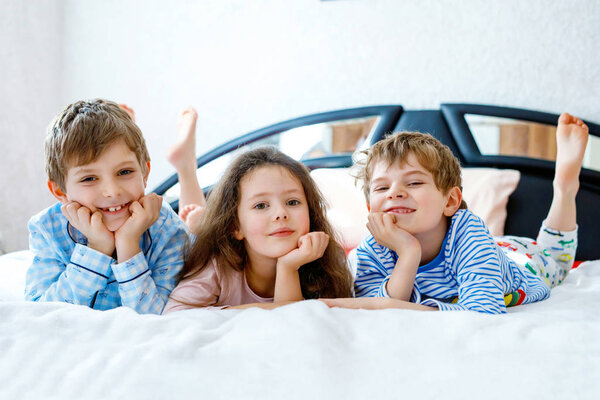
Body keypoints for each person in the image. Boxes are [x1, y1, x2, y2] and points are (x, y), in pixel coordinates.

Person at [322, 113, 588, 314]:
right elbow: (376, 304)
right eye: (381, 187)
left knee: (555, 260)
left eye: (414, 182)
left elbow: (482, 313)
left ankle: (564, 187)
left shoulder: (467, 230)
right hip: (488, 250)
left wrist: (395, 306)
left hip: (519, 260)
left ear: (450, 201)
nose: (395, 193)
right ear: (370, 208)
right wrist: (408, 252)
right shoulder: (371, 249)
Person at [25, 99, 189, 314]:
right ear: (60, 192)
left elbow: (158, 317)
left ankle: (186, 167)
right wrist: (97, 249)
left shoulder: (168, 228)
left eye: (124, 172)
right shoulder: (47, 229)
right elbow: (41, 314)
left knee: (200, 225)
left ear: (145, 173)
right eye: (89, 178)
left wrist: (129, 245)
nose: (112, 191)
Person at [162, 145, 354, 312]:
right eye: (261, 206)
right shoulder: (217, 268)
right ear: (235, 226)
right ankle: (188, 177)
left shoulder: (328, 259)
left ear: (311, 213)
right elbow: (175, 316)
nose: (281, 213)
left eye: (293, 202)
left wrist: (288, 268)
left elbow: (297, 326)